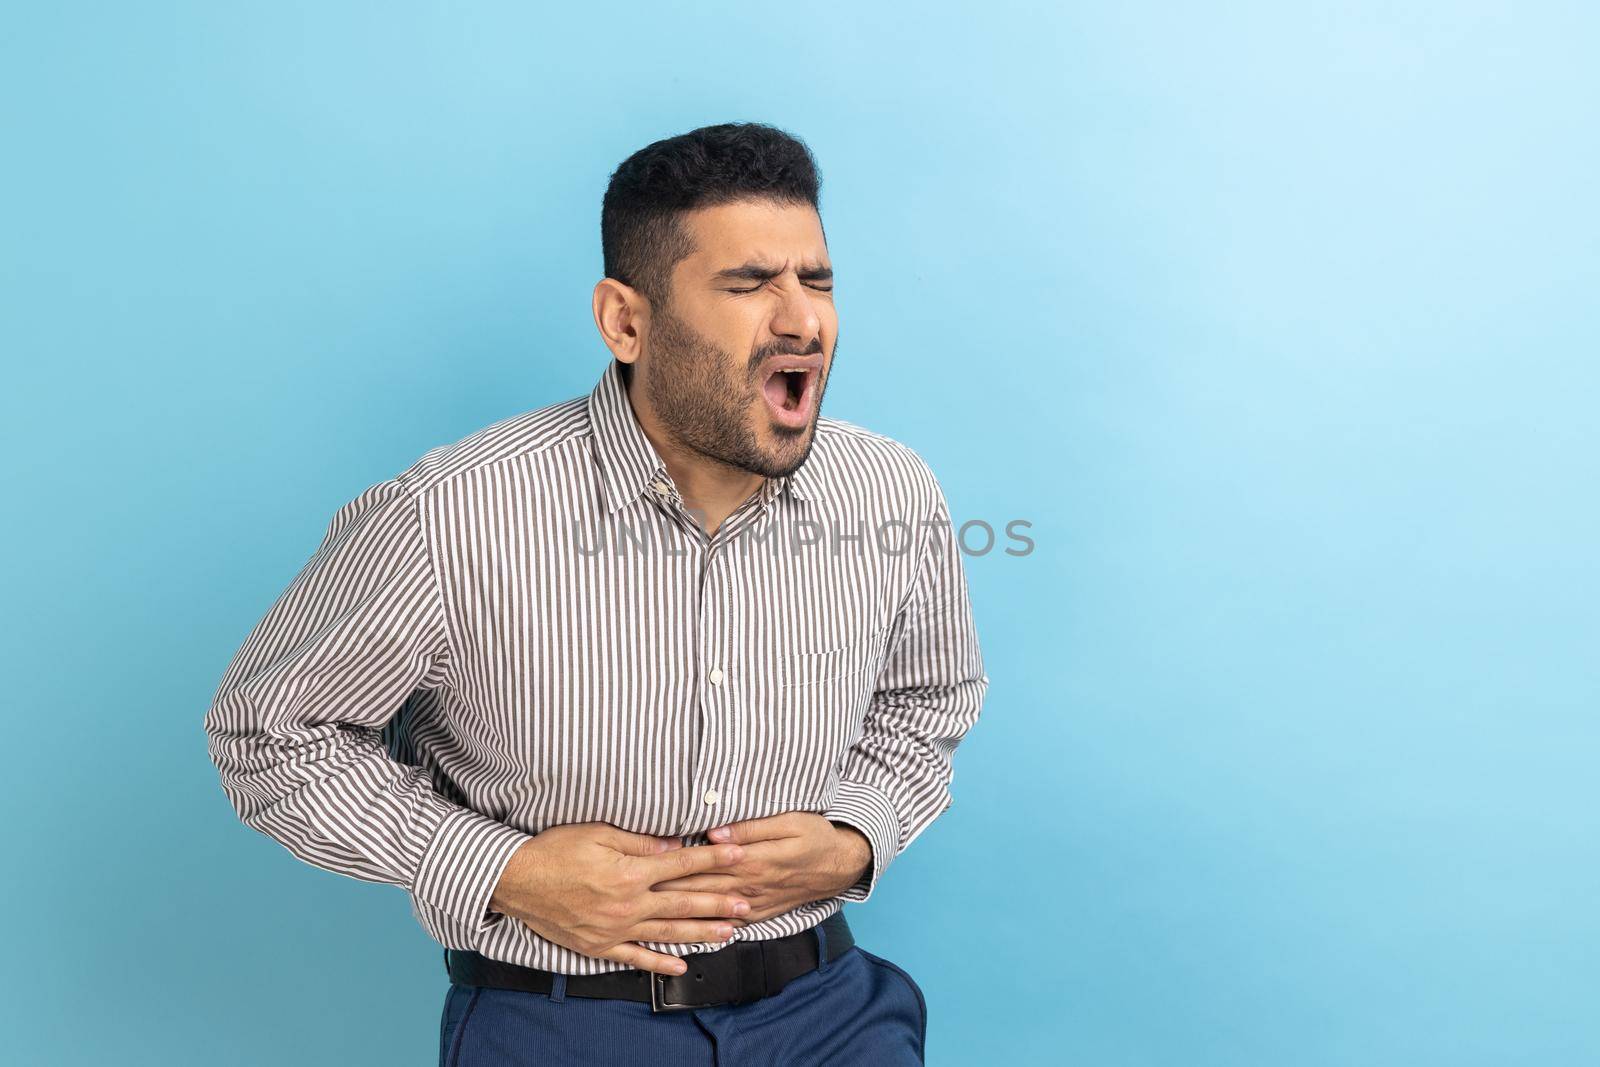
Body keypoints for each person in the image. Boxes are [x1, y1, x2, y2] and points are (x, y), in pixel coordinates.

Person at [203, 121, 988, 1066]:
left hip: (829, 1011)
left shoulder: (891, 492)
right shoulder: (447, 513)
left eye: (816, 281)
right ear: (626, 320)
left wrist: (860, 834)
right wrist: (500, 869)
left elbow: (927, 703)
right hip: (564, 1023)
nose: (803, 321)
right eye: (749, 284)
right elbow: (269, 734)